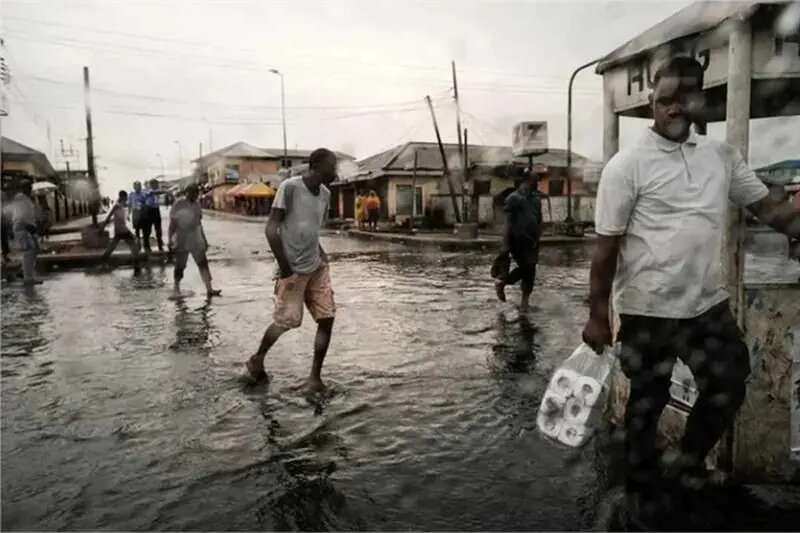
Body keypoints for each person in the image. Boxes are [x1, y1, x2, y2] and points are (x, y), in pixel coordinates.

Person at [581, 57, 800, 525]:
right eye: (664, 101)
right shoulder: (627, 166)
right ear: (653, 103)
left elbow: (766, 207)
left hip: (706, 304)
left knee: (728, 380)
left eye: (684, 98)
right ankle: (640, 492)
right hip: (647, 308)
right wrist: (598, 314)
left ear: (701, 99)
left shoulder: (720, 157)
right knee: (647, 400)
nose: (673, 108)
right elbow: (606, 249)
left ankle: (684, 465)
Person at [245, 148, 338, 393]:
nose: (336, 172)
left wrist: (320, 251)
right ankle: (258, 358)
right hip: (292, 267)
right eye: (332, 167)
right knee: (286, 322)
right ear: (315, 166)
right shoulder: (290, 187)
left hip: (316, 265)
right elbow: (271, 229)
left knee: (327, 318)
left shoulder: (326, 194)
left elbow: (310, 227)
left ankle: (315, 378)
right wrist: (285, 267)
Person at [493, 166, 544, 312]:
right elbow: (508, 222)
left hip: (532, 241)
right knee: (527, 267)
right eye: (535, 181)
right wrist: (505, 245)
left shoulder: (536, 199)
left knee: (531, 270)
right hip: (518, 240)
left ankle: (524, 303)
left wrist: (538, 236)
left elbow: (539, 219)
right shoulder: (513, 198)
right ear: (526, 181)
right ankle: (503, 282)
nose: (537, 184)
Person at [168, 184, 221, 298]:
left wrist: (204, 240)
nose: (195, 196)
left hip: (195, 237)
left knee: (203, 263)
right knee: (180, 265)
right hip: (182, 237)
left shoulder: (197, 205)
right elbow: (172, 224)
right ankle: (176, 288)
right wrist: (170, 239)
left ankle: (209, 289)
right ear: (187, 193)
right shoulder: (179, 204)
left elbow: (199, 224)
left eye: (196, 193)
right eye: (193, 193)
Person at [100, 190, 140, 270]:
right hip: (122, 230)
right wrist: (103, 226)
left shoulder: (120, 205)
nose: (127, 198)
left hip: (119, 230)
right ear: (123, 197)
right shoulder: (117, 206)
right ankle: (136, 264)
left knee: (112, 246)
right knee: (134, 246)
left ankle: (103, 261)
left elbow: (117, 218)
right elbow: (109, 216)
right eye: (126, 197)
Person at [11, 183, 42, 285]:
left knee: (33, 252)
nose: (30, 189)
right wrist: (27, 226)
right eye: (27, 187)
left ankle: (26, 273)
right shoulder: (20, 199)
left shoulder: (27, 199)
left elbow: (29, 214)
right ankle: (28, 278)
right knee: (29, 252)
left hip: (28, 228)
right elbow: (20, 216)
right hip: (24, 228)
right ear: (22, 188)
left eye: (30, 187)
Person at [141, 178, 164, 254]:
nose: (157, 185)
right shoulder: (147, 190)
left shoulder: (157, 190)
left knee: (158, 229)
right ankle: (146, 246)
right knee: (148, 230)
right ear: (151, 184)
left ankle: (160, 245)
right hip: (149, 210)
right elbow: (152, 193)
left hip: (156, 210)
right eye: (155, 184)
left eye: (157, 184)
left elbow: (159, 192)